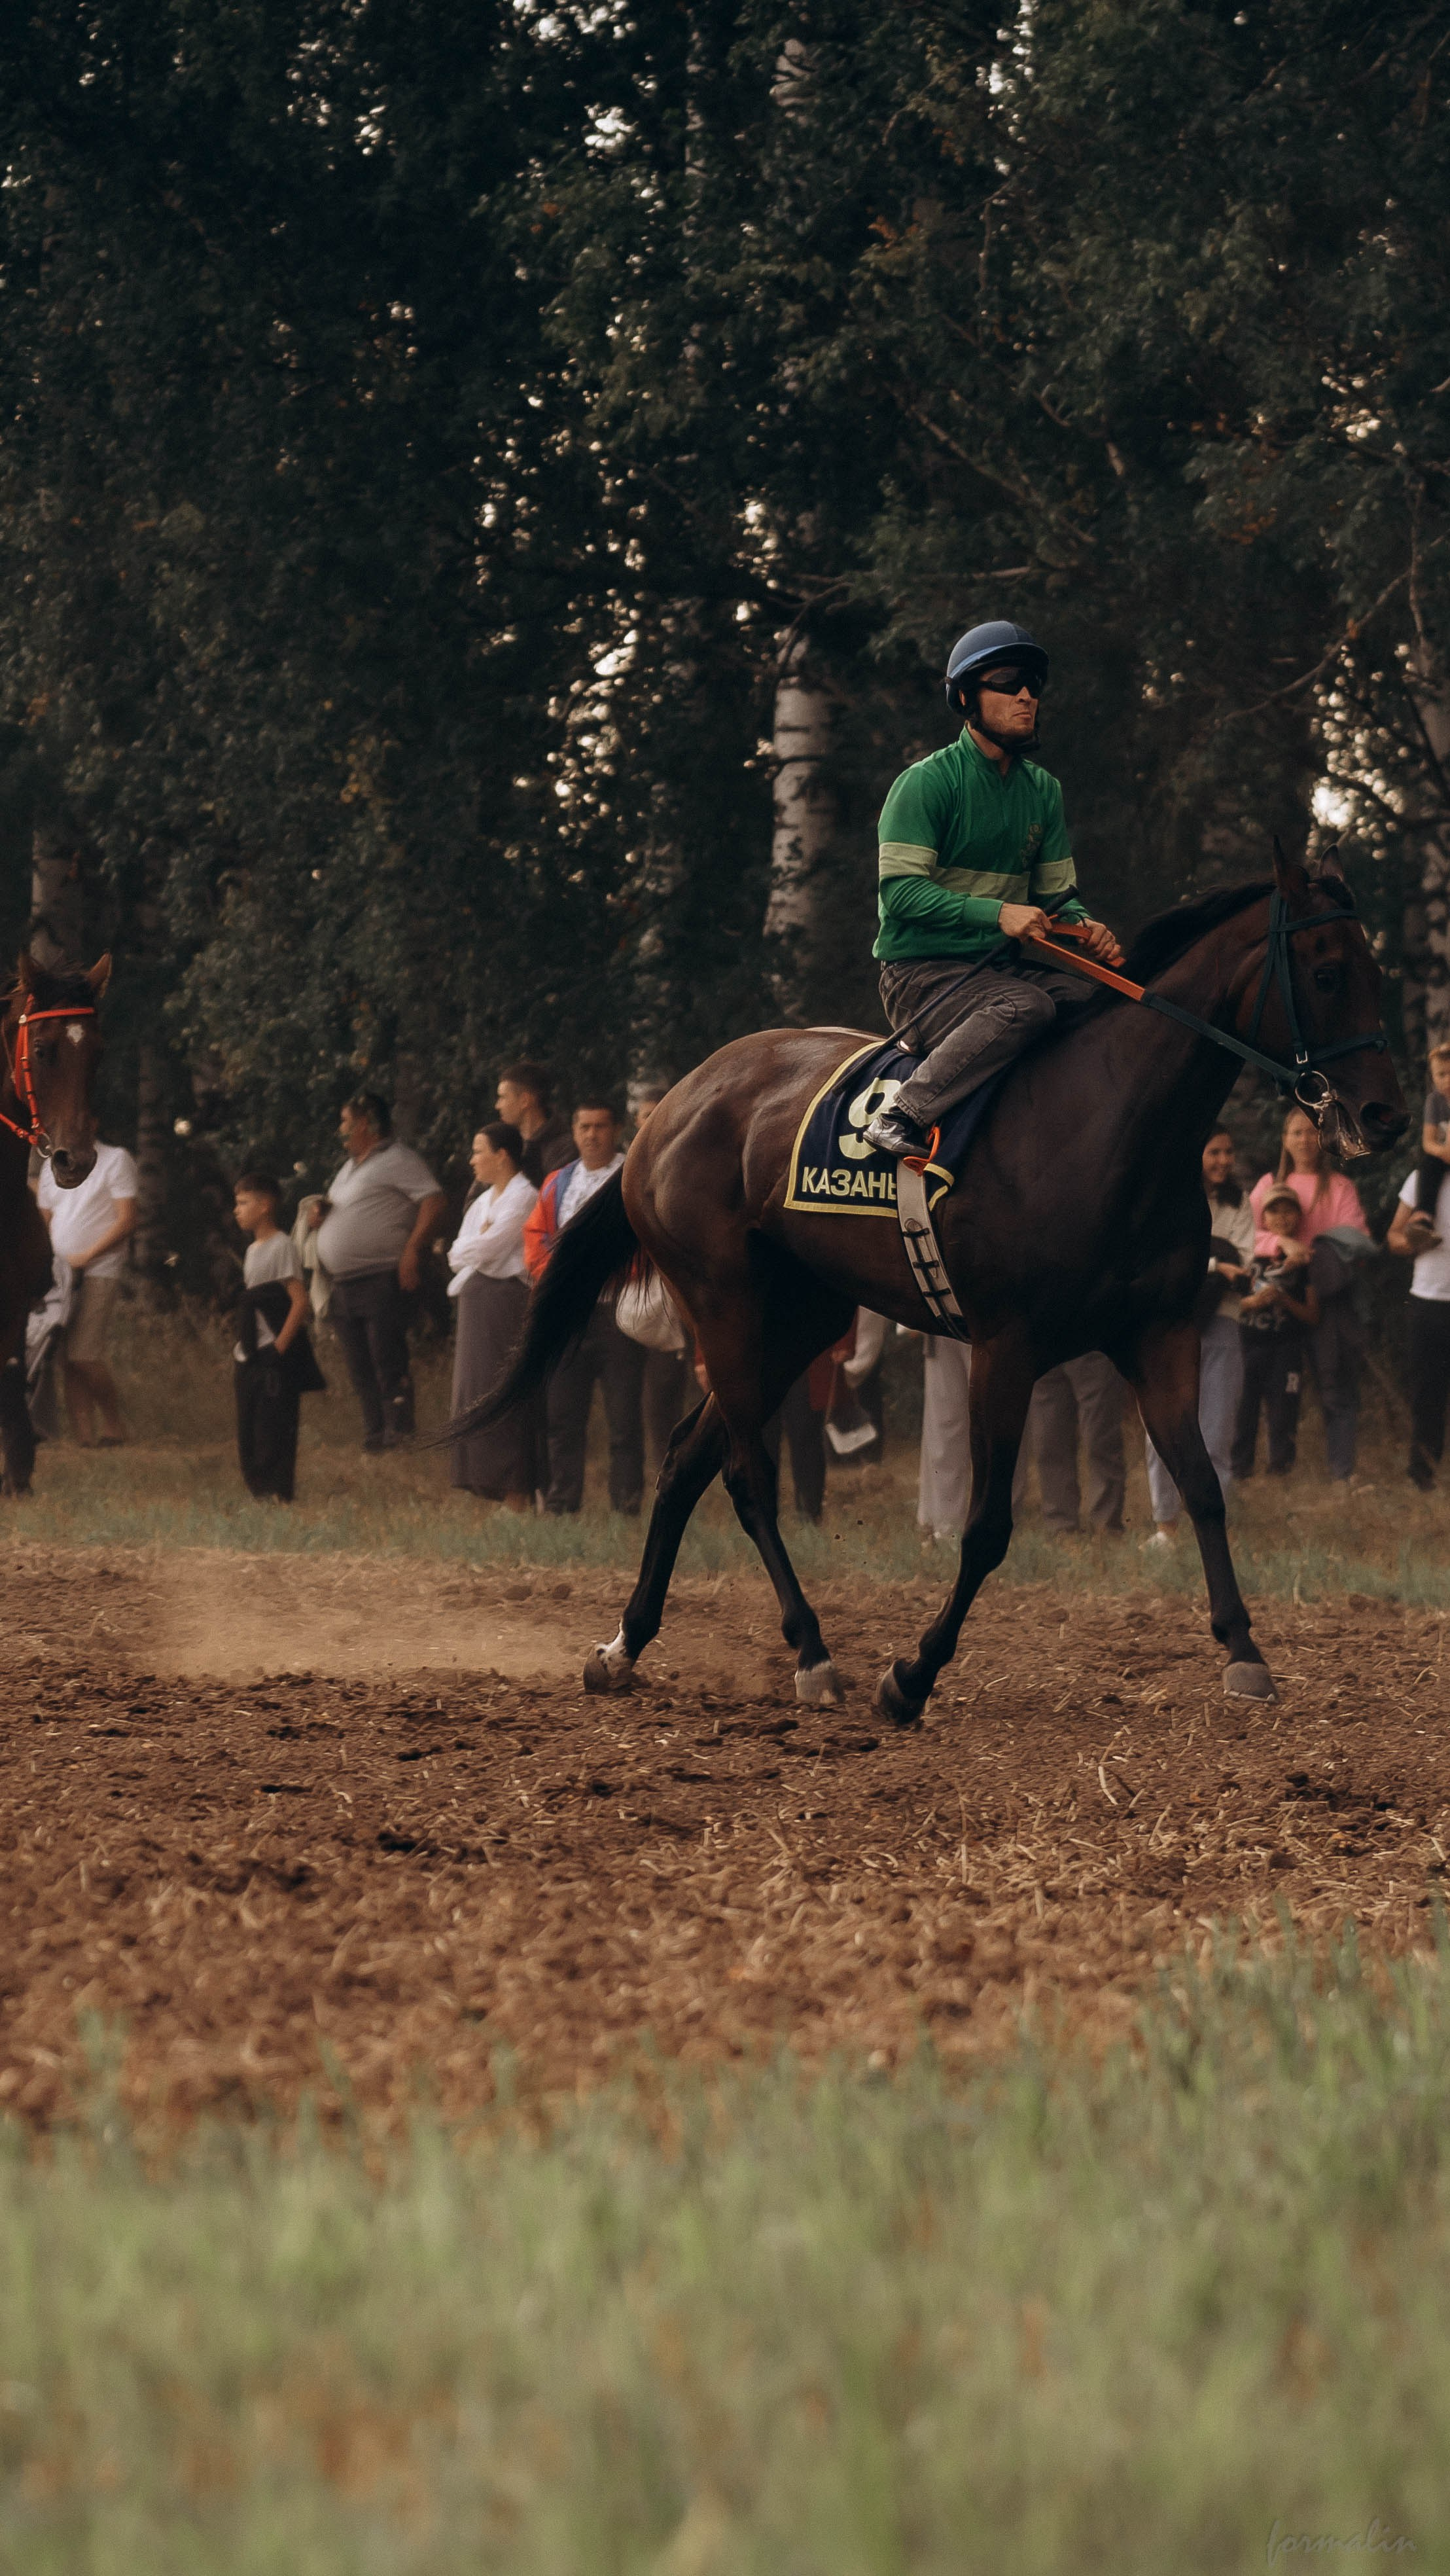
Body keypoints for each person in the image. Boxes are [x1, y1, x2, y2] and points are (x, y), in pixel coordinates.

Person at [861, 620, 1123, 1158]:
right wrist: (997, 914)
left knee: (1095, 1004)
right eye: (1007, 680)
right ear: (964, 696)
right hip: (919, 976)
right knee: (1025, 1007)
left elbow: (1055, 900)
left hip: (996, 973)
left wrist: (1085, 928)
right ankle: (901, 1115)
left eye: (1033, 683)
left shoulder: (1044, 791)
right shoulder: (926, 783)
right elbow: (900, 896)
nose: (1026, 694)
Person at [524, 1100, 646, 1514]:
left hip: (619, 1315)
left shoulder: (636, 1175)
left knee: (624, 1420)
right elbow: (535, 1238)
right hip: (569, 1316)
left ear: (616, 1130)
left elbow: (648, 1241)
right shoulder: (558, 1182)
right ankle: (562, 1505)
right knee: (562, 1419)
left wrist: (606, 1272)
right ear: (574, 1132)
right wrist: (559, 1277)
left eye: (600, 1126)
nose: (592, 1135)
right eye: (584, 1127)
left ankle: (626, 1507)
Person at [310, 1094, 446, 1454]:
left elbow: (432, 1200)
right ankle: (375, 1437)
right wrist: (322, 1218)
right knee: (359, 1364)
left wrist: (413, 1250)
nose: (340, 1129)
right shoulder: (348, 1168)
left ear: (364, 1124)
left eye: (344, 1121)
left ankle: (400, 1435)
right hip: (345, 1283)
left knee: (386, 1357)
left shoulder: (399, 1159)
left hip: (381, 1276)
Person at [1143, 1127, 1256, 1547]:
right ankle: (1165, 1525)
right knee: (1165, 1426)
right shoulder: (1173, 1199)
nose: (1223, 1161)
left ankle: (1210, 1526)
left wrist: (1218, 1266)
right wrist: (1216, 1264)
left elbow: (1245, 1261)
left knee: (1217, 1428)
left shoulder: (1239, 1202)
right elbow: (1166, 1259)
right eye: (1214, 1152)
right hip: (1172, 1325)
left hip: (1223, 1321)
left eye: (1229, 1152)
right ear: (1198, 1155)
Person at [1248, 1105, 1369, 1482]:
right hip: (1273, 1300)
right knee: (1271, 1390)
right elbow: (1246, 1237)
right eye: (1296, 1133)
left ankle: (1341, 1472)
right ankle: (1271, 1470)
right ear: (1284, 1140)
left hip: (1324, 1298)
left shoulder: (1340, 1187)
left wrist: (1311, 1251)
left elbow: (1357, 1241)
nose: (1304, 1140)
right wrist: (1281, 1241)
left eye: (1311, 1132)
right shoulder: (1268, 1184)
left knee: (1334, 1386)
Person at [448, 1120, 538, 1507]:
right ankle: (486, 1484)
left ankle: (516, 1490)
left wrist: (474, 1245)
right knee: (472, 1389)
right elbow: (456, 1253)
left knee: (500, 1388)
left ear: (502, 1156)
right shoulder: (483, 1202)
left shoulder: (524, 1197)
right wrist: (474, 1244)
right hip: (476, 1300)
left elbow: (491, 1247)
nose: (472, 1160)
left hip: (506, 1300)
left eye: (479, 1150)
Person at [37, 1132, 137, 1446]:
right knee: (66, 1357)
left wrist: (87, 1256)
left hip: (99, 1269)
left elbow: (126, 1220)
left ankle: (114, 1424)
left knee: (84, 1354)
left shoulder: (115, 1159)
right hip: (59, 1273)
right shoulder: (51, 1164)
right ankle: (85, 1437)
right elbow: (45, 1218)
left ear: (92, 1122)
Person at [232, 1172, 325, 1503]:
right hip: (250, 1352)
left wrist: (279, 1349)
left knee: (273, 1427)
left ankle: (276, 1492)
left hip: (273, 1355)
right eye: (236, 1203)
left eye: (244, 1203)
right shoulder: (253, 1251)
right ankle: (257, 1489)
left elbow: (299, 1301)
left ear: (266, 1205)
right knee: (249, 1427)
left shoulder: (282, 1246)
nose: (237, 1210)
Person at [1230, 1187, 1320, 1479]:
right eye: (1274, 1211)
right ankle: (1240, 1471)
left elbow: (1312, 1314)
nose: (1282, 1217)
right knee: (1244, 1411)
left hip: (1286, 1347)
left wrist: (1284, 1301)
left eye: (1289, 1210)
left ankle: (1280, 1471)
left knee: (1284, 1411)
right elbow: (1230, 1303)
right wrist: (1254, 1302)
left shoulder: (1305, 1262)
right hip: (1247, 1343)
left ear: (1298, 1216)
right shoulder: (1249, 1257)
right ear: (1263, 1217)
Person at [629, 1081, 695, 1465]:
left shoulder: (689, 1167)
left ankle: (679, 1469)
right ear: (635, 1122)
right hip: (634, 1298)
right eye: (644, 1116)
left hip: (682, 1298)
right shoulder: (624, 1171)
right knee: (637, 1399)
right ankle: (649, 1477)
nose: (651, 1123)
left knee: (673, 1393)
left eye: (658, 1114)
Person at [1013, 1353, 1129, 1536]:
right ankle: (1061, 1527)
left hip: (1090, 1345)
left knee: (1100, 1441)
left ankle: (1106, 1527)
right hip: (1045, 1344)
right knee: (1048, 1441)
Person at [1387, 1158, 1450, 1490]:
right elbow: (1394, 1236)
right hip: (1429, 1301)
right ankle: (1422, 1476)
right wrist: (1415, 1242)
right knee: (1428, 1395)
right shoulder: (1423, 1179)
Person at [919, 1336, 972, 1543]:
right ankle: (946, 1525)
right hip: (942, 1323)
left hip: (992, 1319)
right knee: (944, 1424)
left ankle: (1000, 1514)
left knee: (993, 1419)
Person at [495, 1062, 573, 1190]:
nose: (497, 1106)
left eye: (503, 1098)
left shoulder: (564, 1149)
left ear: (524, 1101)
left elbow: (552, 1198)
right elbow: (475, 1199)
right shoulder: (503, 1143)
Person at [1411, 1039, 1450, 1227]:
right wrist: (1444, 1153)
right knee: (1428, 1164)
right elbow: (1429, 1142)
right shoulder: (1434, 1101)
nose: (1448, 1080)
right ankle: (1424, 1215)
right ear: (1433, 1077)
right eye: (1441, 1074)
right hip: (1444, 1156)